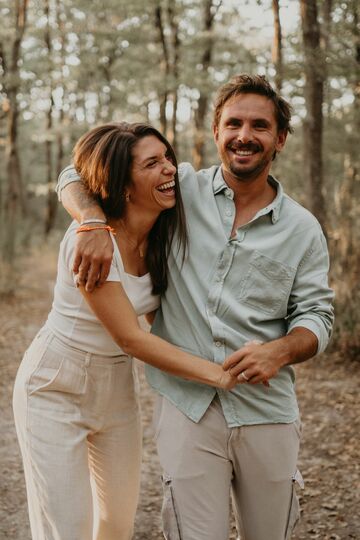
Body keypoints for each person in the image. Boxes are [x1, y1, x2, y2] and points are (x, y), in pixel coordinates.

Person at [56, 75, 334, 540]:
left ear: (280, 139)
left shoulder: (303, 229)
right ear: (216, 131)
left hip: (267, 410)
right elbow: (75, 174)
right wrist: (91, 221)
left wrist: (280, 351)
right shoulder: (178, 189)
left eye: (260, 126)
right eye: (234, 123)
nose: (245, 135)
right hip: (188, 408)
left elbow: (318, 316)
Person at [13, 122, 243, 540]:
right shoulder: (88, 244)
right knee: (68, 529)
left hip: (117, 389)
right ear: (122, 184)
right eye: (152, 163)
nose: (169, 169)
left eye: (167, 157)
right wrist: (220, 374)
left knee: (117, 526)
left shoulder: (166, 231)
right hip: (54, 384)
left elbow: (161, 320)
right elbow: (131, 337)